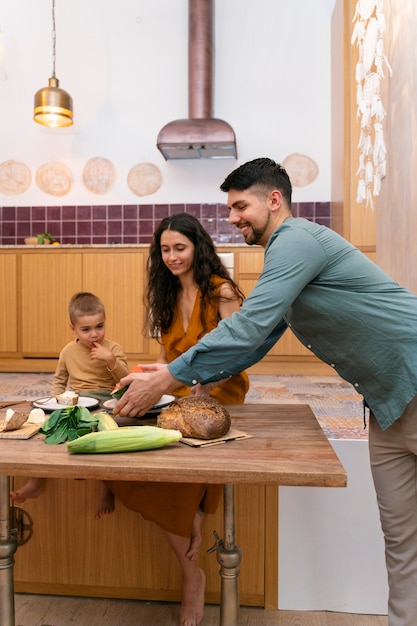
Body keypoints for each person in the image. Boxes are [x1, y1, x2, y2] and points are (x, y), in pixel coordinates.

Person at [114, 158, 417, 626]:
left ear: (274, 200)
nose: (232, 218)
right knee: (401, 540)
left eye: (240, 206)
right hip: (386, 403)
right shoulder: (285, 256)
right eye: (230, 208)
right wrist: (174, 371)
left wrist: (169, 376)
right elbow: (254, 341)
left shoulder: (296, 239)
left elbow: (248, 325)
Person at [105, 213, 249, 626]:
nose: (171, 257)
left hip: (221, 394)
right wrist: (142, 375)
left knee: (175, 459)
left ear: (198, 247)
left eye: (179, 248)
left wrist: (201, 383)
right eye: (165, 250)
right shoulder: (166, 296)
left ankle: (192, 578)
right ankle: (194, 525)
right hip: (182, 393)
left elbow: (240, 351)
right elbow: (168, 362)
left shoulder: (221, 292)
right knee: (125, 438)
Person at [11, 292, 130, 519]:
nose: (94, 334)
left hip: (106, 401)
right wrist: (54, 403)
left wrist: (111, 360)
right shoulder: (68, 351)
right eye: (86, 330)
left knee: (106, 439)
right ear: (73, 328)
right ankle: (35, 481)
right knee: (46, 433)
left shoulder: (113, 348)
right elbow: (59, 380)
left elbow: (125, 380)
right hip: (76, 400)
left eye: (99, 326)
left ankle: (108, 488)